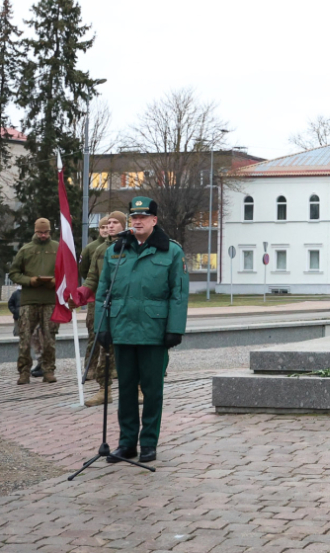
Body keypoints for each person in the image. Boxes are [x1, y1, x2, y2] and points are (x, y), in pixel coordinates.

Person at [94, 197, 186, 464]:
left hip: (154, 331)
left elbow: (178, 294)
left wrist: (174, 329)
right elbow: (103, 294)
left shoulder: (171, 251)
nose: (137, 221)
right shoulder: (116, 250)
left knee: (152, 390)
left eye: (143, 217)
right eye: (133, 217)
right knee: (125, 389)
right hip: (122, 328)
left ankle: (148, 444)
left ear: (154, 220)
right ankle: (126, 444)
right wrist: (103, 325)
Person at [78, 210, 128, 406]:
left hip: (126, 305)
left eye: (116, 222)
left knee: (130, 349)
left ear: (124, 225)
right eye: (109, 223)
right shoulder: (101, 250)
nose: (110, 226)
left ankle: (139, 388)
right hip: (106, 305)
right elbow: (91, 277)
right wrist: (82, 292)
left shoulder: (131, 247)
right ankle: (104, 390)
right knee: (104, 348)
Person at [9, 218, 60, 384]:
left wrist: (55, 281)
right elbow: (14, 273)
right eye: (40, 232)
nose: (43, 235)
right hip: (29, 300)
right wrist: (30, 281)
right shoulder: (26, 249)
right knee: (24, 338)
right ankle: (24, 372)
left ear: (50, 231)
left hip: (50, 300)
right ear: (35, 231)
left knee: (49, 338)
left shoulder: (58, 248)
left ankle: (48, 370)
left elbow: (68, 272)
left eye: (46, 232)